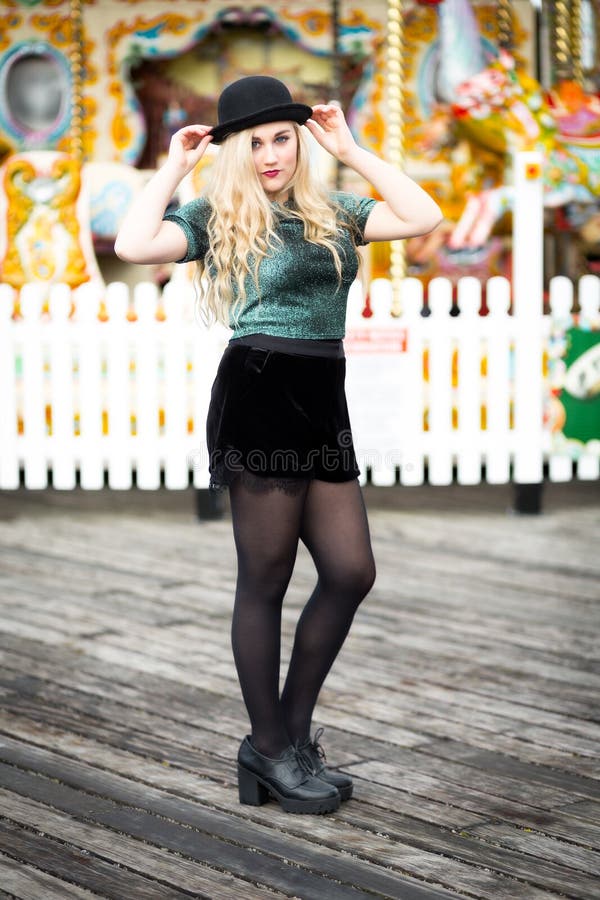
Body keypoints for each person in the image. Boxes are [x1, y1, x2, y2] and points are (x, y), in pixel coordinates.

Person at [115, 75, 443, 815]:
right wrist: (175, 165)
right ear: (238, 150)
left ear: (301, 139)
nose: (270, 154)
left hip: (322, 396)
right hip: (262, 390)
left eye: (282, 137)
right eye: (256, 141)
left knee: (351, 570)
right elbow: (135, 244)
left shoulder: (333, 211)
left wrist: (351, 149)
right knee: (264, 579)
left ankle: (286, 736)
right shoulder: (219, 213)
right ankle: (269, 745)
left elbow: (424, 212)